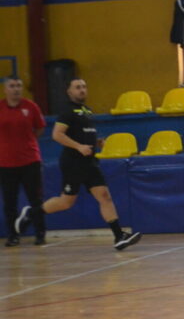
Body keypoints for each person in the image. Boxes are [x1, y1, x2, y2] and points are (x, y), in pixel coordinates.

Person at [15, 78, 141, 251]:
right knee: (66, 202)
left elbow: (81, 133)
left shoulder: (87, 111)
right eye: (77, 87)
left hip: (89, 162)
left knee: (104, 196)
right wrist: (79, 146)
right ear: (69, 92)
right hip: (73, 163)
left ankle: (119, 236)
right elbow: (57, 135)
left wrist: (96, 142)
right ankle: (32, 213)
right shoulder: (67, 112)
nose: (82, 90)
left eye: (83, 87)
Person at [0, 76, 46, 247]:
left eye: (18, 86)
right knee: (9, 201)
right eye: (12, 86)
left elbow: (40, 127)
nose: (16, 89)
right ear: (5, 89)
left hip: (30, 161)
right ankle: (13, 235)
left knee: (36, 199)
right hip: (5, 163)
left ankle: (40, 233)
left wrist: (29, 142)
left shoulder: (30, 106)